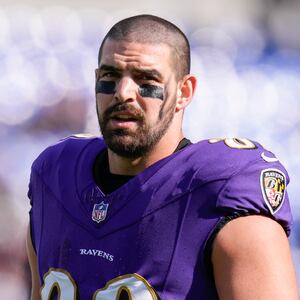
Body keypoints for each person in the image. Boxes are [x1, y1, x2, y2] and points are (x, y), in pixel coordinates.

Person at [26, 14, 298, 299]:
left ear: (184, 91)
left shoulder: (220, 189)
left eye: (146, 79)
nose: (123, 93)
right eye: (110, 76)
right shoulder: (56, 175)